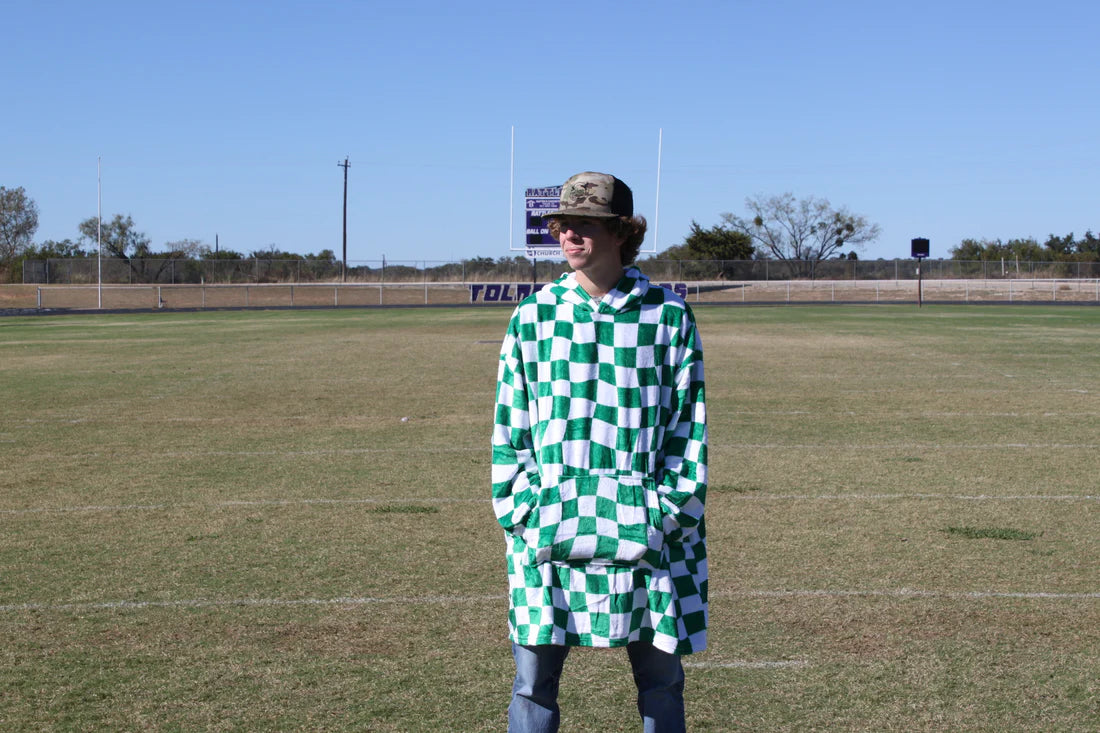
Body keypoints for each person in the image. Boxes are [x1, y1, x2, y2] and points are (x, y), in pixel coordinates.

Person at [491, 171, 708, 732]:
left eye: (586, 223)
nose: (569, 234)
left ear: (623, 232)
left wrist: (664, 514)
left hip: (648, 533)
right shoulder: (534, 316)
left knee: (662, 684)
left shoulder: (668, 316)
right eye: (564, 224)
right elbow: (510, 427)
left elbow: (688, 428)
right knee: (532, 687)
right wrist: (524, 512)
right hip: (550, 527)